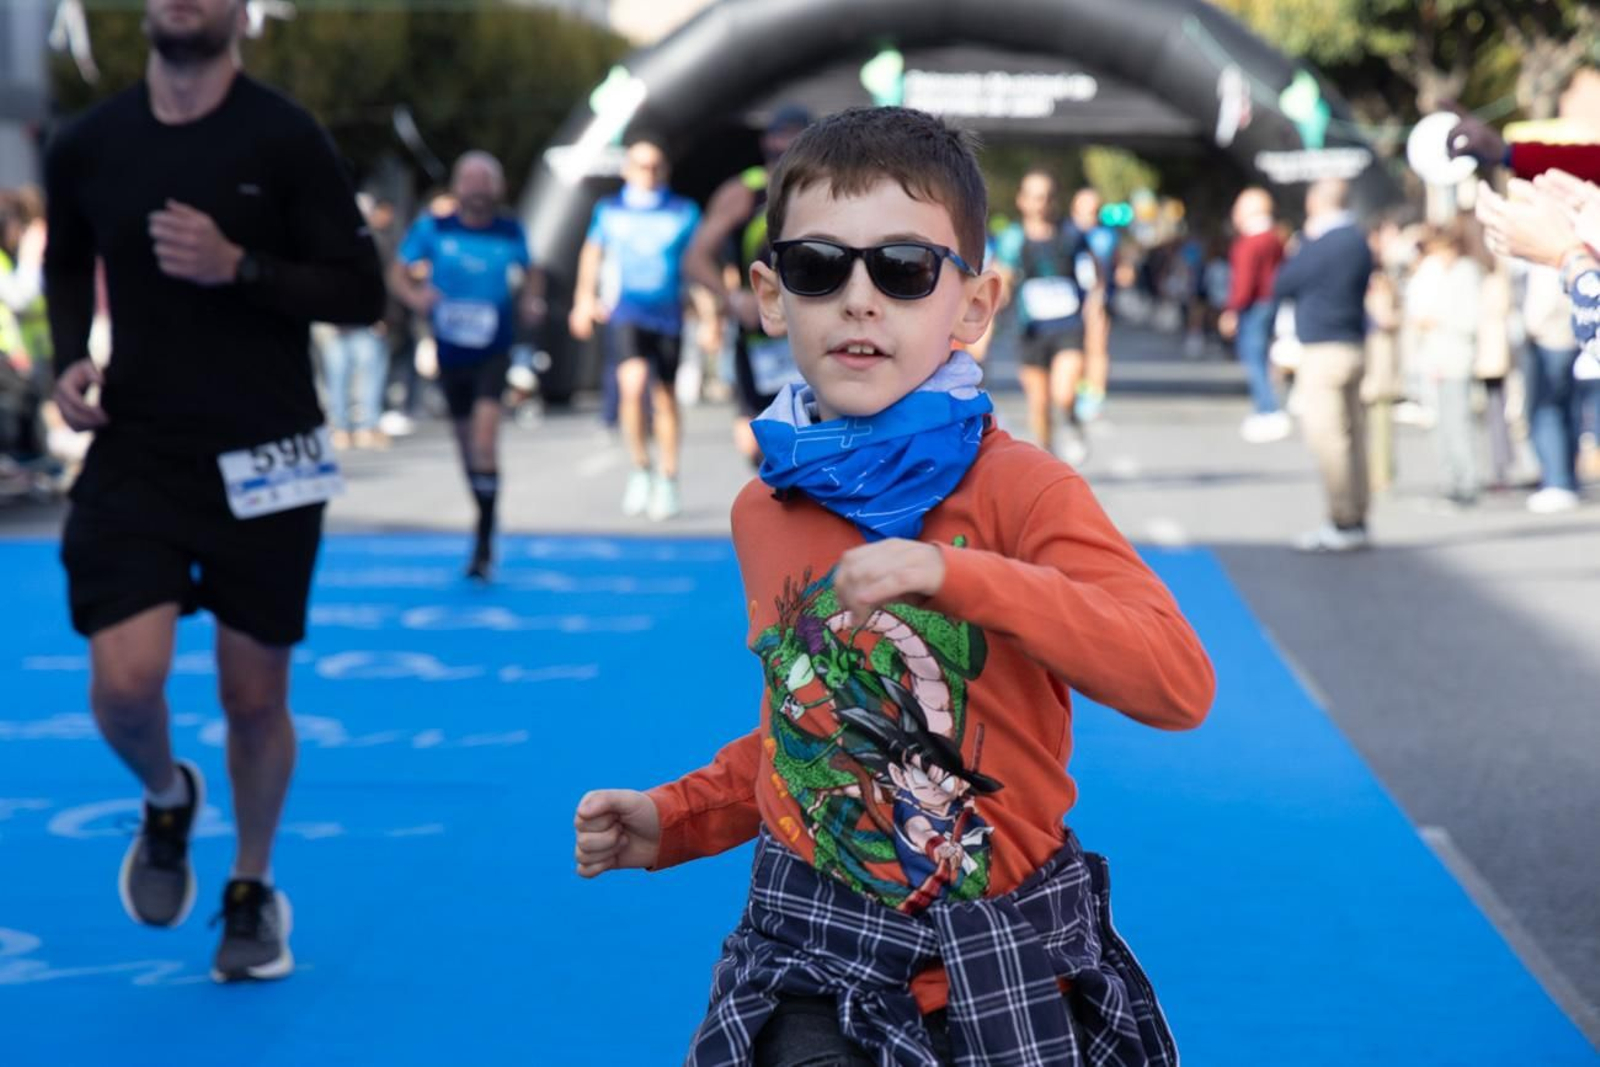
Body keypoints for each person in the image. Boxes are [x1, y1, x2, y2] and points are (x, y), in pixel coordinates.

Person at [573, 106, 1214, 1065]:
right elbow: (816, 728)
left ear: (973, 307)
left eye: (905, 269)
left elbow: (1176, 680)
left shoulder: (1020, 487)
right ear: (771, 296)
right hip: (807, 958)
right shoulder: (767, 508)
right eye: (820, 267)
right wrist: (680, 815)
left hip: (992, 968)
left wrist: (960, 576)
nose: (860, 299)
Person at [43, 0, 386, 982]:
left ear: (245, 10)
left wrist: (240, 265)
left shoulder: (283, 136)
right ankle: (164, 794)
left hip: (269, 448)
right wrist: (68, 361)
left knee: (252, 692)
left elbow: (359, 292)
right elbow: (70, 260)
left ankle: (251, 883)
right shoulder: (89, 142)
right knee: (123, 681)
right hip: (139, 446)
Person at [392, 152, 545, 578]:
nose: (477, 190)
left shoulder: (508, 230)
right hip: (450, 348)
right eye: (469, 181)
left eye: (484, 182)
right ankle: (483, 517)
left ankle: (484, 536)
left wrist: (532, 298)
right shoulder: (434, 228)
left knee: (483, 437)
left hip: (493, 346)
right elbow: (399, 271)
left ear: (496, 188)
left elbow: (532, 270)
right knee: (465, 446)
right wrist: (416, 297)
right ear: (458, 186)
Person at [569, 135, 701, 520]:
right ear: (627, 169)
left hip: (669, 315)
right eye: (641, 165)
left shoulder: (683, 211)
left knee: (664, 397)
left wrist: (711, 314)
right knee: (632, 386)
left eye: (656, 165)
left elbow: (700, 259)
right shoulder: (609, 210)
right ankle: (641, 466)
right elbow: (592, 253)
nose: (648, 172)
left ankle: (669, 475)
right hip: (627, 311)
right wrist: (583, 299)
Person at [684, 105, 812, 467]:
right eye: (780, 135)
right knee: (755, 444)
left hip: (810, 332)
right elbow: (695, 258)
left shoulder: (827, 188)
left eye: (795, 135)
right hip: (758, 337)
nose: (785, 143)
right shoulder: (745, 191)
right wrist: (732, 297)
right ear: (766, 141)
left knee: (812, 435)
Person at [1272, 179, 1374, 551]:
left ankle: (1342, 519)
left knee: (1328, 439)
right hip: (1353, 343)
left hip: (1323, 349)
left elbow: (1284, 283)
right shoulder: (1358, 240)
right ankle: (1358, 515)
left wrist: (1303, 247)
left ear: (1317, 202)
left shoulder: (1322, 243)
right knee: (1354, 436)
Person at [993, 167, 1102, 463]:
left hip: (1068, 326)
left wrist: (1095, 317)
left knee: (1064, 394)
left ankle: (1073, 422)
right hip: (1031, 330)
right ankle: (1047, 458)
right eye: (1033, 197)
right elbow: (999, 280)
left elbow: (1094, 278)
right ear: (1022, 200)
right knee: (1039, 404)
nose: (1040, 203)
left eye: (1046, 197)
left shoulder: (1072, 236)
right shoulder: (1012, 239)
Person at [1404, 222, 1482, 506]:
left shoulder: (1466, 274)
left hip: (1456, 354)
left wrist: (1438, 319)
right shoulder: (1429, 272)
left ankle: (1467, 480)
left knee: (1458, 420)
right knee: (1439, 422)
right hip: (1432, 356)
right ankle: (1450, 478)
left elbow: (1470, 318)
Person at [1218, 187, 1292, 443]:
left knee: (1254, 356)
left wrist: (1232, 309)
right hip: (1270, 301)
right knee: (1261, 355)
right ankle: (1268, 407)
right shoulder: (1276, 239)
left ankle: (1267, 408)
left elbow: (1244, 281)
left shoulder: (1249, 243)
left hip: (1254, 304)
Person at [1068, 186, 1115, 419]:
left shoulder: (1105, 237)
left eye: (1095, 210)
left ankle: (1095, 396)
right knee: (1073, 350)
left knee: (1096, 347)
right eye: (1085, 210)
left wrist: (1097, 298)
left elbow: (1105, 271)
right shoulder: (1066, 233)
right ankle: (1075, 390)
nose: (1090, 215)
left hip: (1096, 299)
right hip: (1069, 302)